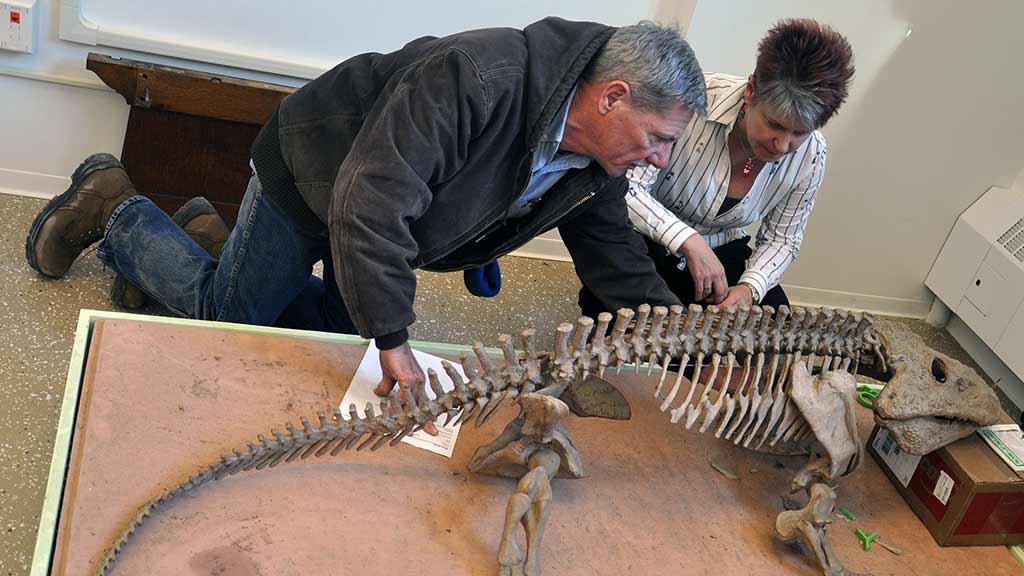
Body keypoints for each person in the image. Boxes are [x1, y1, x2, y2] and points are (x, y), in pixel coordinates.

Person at [26, 18, 705, 408]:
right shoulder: (479, 76)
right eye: (662, 138)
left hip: (377, 211)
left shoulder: (598, 165)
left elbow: (617, 263)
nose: (663, 160)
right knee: (228, 320)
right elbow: (370, 200)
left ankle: (210, 238)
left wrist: (701, 358)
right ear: (612, 98)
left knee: (335, 341)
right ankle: (117, 206)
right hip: (314, 169)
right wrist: (392, 337)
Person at [577, 18, 854, 318]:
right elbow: (625, 189)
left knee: (773, 330)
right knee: (630, 325)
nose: (782, 145)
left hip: (723, 253)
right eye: (774, 124)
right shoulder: (690, 102)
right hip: (648, 244)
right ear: (751, 91)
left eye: (799, 132)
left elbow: (782, 239)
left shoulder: (812, 154)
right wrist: (686, 240)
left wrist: (750, 288)